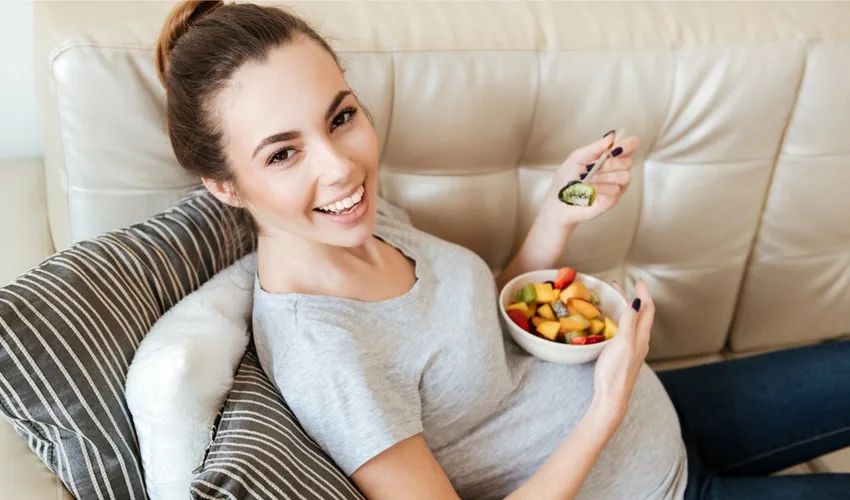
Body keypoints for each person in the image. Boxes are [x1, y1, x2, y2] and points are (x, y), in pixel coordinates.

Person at [154, 2, 850, 499]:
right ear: (225, 185)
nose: (340, 167)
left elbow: (469, 319)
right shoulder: (325, 353)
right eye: (283, 153)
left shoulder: (362, 220)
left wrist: (558, 214)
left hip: (661, 406)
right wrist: (604, 407)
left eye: (341, 117)